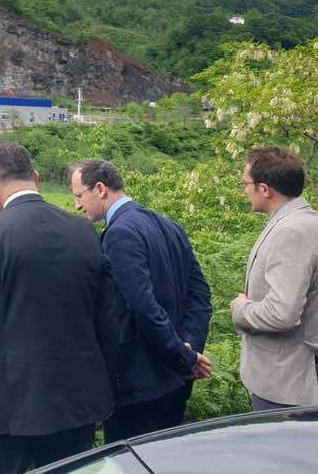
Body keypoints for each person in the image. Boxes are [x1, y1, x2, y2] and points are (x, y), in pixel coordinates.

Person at [0, 143, 119, 474]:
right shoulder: (83, 231)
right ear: (37, 178)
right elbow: (109, 320)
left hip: (2, 411)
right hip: (75, 406)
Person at [69, 159, 212, 441]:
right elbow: (201, 297)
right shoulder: (170, 225)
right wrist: (188, 348)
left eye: (78, 196)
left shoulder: (120, 233)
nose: (76, 206)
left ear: (99, 188)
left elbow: (143, 307)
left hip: (141, 386)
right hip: (176, 380)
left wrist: (182, 354)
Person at [231, 146, 318, 410]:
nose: (244, 189)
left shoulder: (292, 231)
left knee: (283, 451)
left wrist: (241, 309)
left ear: (265, 189)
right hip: (299, 375)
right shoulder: (314, 221)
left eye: (246, 183)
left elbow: (281, 314)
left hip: (290, 381)